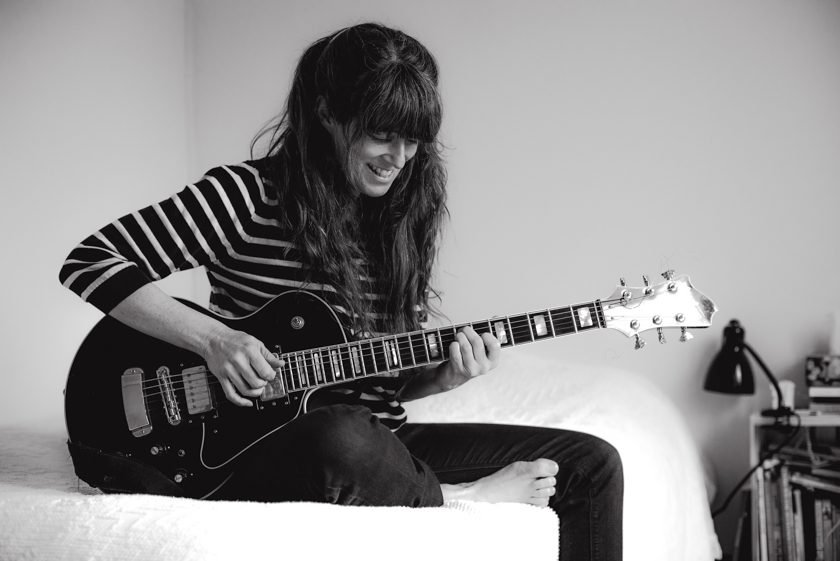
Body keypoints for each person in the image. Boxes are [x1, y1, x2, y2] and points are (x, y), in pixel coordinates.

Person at [59, 22, 623, 560]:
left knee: (592, 463)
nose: (397, 159)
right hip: (263, 443)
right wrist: (214, 340)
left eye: (412, 142)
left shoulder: (400, 222)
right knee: (343, 434)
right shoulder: (247, 195)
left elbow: (377, 382)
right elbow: (89, 262)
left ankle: (412, 483)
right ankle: (460, 500)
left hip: (380, 441)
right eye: (381, 134)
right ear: (328, 112)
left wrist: (441, 376)